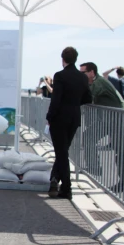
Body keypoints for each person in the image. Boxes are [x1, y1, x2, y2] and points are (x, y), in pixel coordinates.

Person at [46, 47, 92, 200]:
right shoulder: (82, 77)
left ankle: (66, 188)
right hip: (74, 118)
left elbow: (56, 99)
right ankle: (54, 180)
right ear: (75, 59)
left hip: (59, 118)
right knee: (63, 152)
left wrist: (49, 116)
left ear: (63, 59)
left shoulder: (60, 76)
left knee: (62, 153)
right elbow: (88, 98)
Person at [80, 62, 124, 191]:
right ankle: (94, 167)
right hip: (107, 118)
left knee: (121, 150)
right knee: (88, 136)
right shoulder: (93, 83)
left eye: (82, 73)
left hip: (119, 118)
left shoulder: (99, 83)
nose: (80, 75)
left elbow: (88, 96)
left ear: (91, 73)